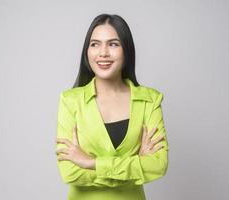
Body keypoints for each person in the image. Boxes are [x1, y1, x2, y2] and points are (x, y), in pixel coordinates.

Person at [55, 13, 169, 200]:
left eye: (113, 44)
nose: (103, 53)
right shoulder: (70, 101)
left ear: (127, 50)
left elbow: (158, 165)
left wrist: (91, 163)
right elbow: (70, 173)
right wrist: (135, 165)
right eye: (95, 44)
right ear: (87, 51)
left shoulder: (150, 100)